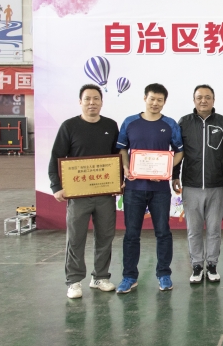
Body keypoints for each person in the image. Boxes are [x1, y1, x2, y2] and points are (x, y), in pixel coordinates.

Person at [48, 84, 120, 299]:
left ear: (101, 102)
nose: (92, 103)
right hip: (78, 195)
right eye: (87, 99)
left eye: (96, 99)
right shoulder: (69, 126)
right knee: (76, 238)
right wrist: (56, 186)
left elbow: (117, 157)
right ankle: (73, 281)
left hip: (105, 194)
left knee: (105, 236)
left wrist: (119, 182)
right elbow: (56, 157)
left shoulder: (110, 125)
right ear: (80, 102)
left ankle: (100, 277)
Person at [116, 83, 184, 293]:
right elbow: (122, 149)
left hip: (160, 189)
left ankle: (164, 274)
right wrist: (126, 167)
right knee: (131, 234)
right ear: (145, 98)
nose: (155, 103)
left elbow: (180, 151)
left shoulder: (170, 124)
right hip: (134, 188)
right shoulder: (130, 122)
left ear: (164, 102)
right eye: (152, 99)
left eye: (159, 100)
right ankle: (129, 277)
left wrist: (166, 169)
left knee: (163, 232)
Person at [172, 84, 223, 283]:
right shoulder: (184, 122)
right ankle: (196, 265)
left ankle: (212, 265)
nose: (203, 100)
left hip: (217, 185)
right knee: (194, 230)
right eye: (199, 97)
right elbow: (178, 151)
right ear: (194, 100)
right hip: (191, 185)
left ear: (214, 99)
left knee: (214, 229)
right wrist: (175, 175)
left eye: (207, 97)